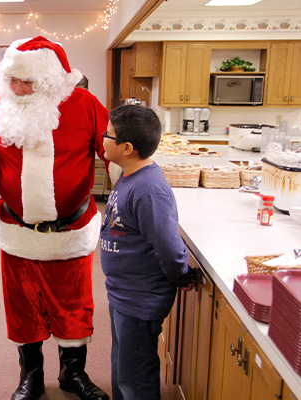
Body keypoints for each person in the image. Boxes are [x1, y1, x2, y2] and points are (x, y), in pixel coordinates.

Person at [0, 36, 110, 400]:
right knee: (22, 308)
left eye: (27, 81)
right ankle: (31, 377)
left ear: (50, 81)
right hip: (17, 232)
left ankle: (73, 375)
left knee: (73, 307)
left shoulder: (85, 105)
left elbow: (113, 149)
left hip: (70, 230)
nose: (18, 88)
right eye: (12, 79)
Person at [99, 105, 195, 400]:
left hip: (140, 299)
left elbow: (167, 245)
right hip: (122, 293)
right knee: (122, 369)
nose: (102, 139)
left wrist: (181, 275)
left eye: (108, 135)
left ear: (127, 148)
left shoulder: (149, 190)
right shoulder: (128, 176)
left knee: (136, 379)